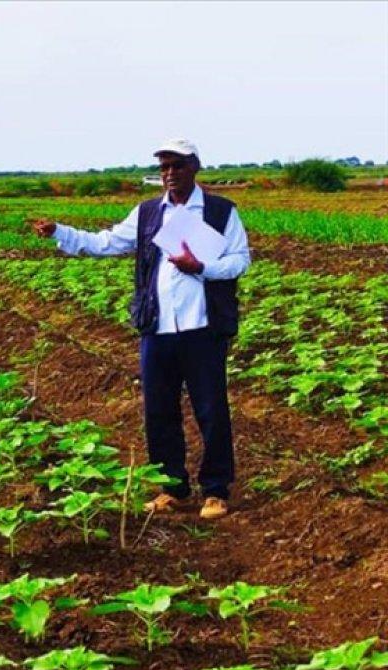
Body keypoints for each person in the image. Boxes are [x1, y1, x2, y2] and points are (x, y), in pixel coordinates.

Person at [31, 139, 251, 519]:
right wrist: (59, 233)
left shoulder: (220, 212)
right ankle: (172, 488)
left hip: (203, 329)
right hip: (157, 328)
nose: (169, 174)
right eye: (164, 167)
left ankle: (215, 490)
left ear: (194, 167)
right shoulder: (149, 213)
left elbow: (240, 261)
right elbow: (106, 242)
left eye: (177, 166)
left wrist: (201, 267)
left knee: (211, 409)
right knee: (159, 412)